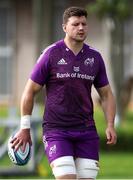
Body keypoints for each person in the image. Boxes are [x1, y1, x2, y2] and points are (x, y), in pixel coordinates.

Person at [11, 6, 117, 180]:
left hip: (86, 131)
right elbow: (29, 92)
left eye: (84, 24)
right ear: (64, 28)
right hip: (56, 131)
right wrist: (24, 127)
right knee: (67, 177)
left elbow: (106, 94)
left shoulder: (95, 57)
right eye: (75, 24)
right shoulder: (51, 54)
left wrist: (110, 124)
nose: (81, 28)